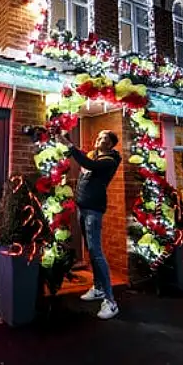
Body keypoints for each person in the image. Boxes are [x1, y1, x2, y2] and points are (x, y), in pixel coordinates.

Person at [58, 129, 122, 320]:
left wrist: (70, 145)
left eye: (103, 138)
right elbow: (84, 159)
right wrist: (67, 142)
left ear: (110, 144)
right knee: (90, 249)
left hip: (93, 210)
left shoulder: (108, 161)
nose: (98, 138)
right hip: (83, 208)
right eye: (99, 135)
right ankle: (98, 288)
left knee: (96, 251)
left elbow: (88, 164)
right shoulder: (95, 156)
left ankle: (111, 302)